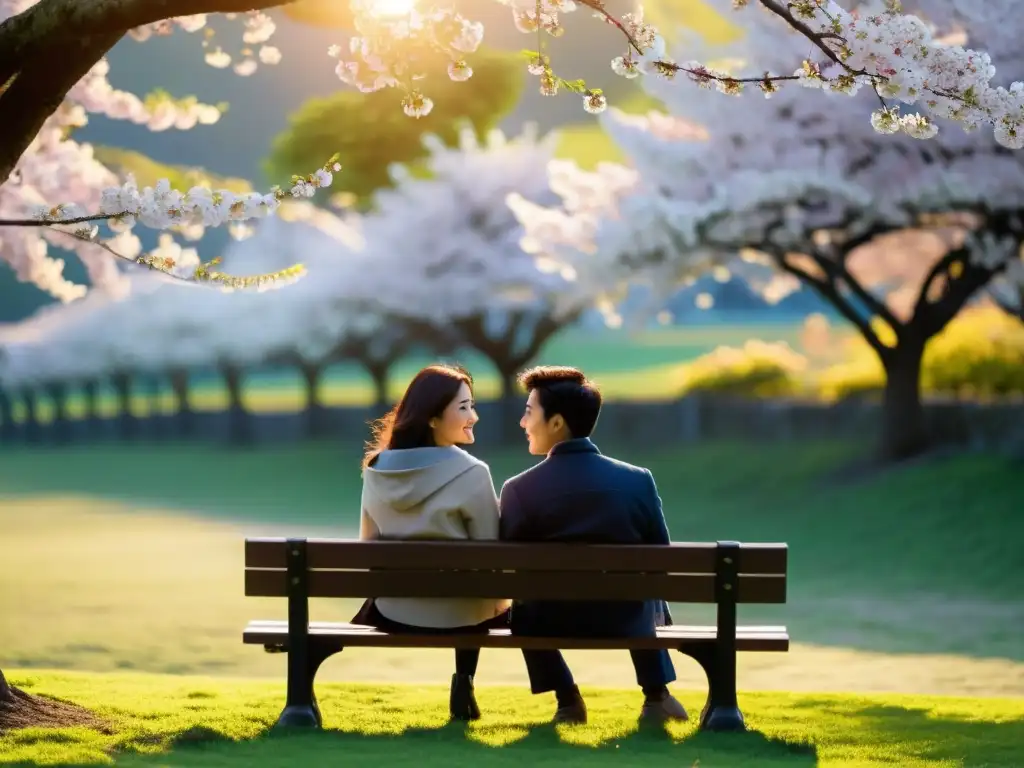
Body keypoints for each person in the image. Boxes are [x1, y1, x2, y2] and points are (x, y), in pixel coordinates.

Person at [499, 365, 687, 725]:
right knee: (646, 589)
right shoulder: (637, 480)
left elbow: (510, 570)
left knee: (524, 604)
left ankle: (567, 700)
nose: (523, 423)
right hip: (628, 619)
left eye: (528, 412)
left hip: (549, 621)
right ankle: (657, 696)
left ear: (556, 423)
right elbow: (661, 557)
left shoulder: (518, 489)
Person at [354, 363, 510, 721]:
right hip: (461, 615)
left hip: (394, 611)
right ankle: (465, 679)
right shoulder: (473, 472)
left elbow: (368, 546)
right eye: (464, 407)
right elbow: (491, 556)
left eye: (471, 405)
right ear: (432, 418)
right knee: (487, 596)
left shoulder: (377, 467)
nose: (474, 416)